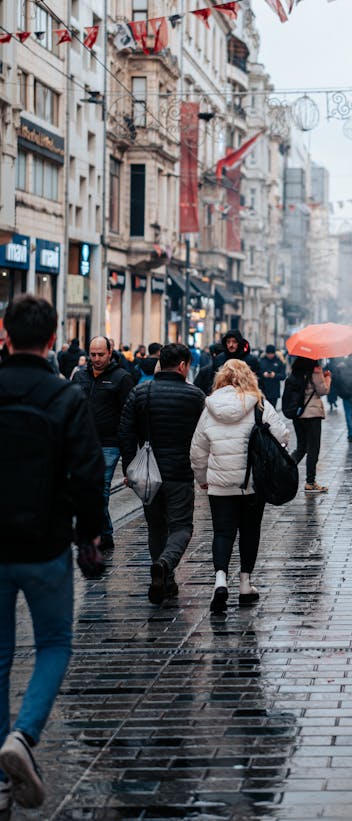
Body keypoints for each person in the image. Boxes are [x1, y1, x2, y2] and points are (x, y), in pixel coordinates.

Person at [0, 295, 103, 812]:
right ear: (51, 338)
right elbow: (88, 475)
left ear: (3, 332)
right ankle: (23, 735)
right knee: (55, 643)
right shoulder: (64, 397)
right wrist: (92, 534)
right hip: (44, 543)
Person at [190, 359, 290, 612]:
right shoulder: (259, 404)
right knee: (249, 531)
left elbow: (197, 450)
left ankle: (220, 581)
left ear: (221, 379)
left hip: (220, 484)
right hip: (252, 483)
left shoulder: (209, 407)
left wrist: (202, 479)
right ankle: (245, 585)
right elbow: (282, 436)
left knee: (222, 533)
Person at [119, 343, 205, 605]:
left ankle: (164, 578)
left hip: (148, 474)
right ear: (182, 366)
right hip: (179, 472)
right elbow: (204, 437)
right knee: (181, 527)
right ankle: (165, 566)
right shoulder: (195, 396)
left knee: (156, 527)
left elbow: (125, 432)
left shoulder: (140, 392)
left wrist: (129, 468)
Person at [73, 336, 134, 552]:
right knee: (86, 491)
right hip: (84, 442)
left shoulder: (121, 378)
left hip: (109, 443)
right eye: (93, 354)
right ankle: (106, 533)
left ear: (110, 352)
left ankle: (99, 535)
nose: (96, 359)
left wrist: (129, 455)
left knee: (101, 491)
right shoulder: (80, 377)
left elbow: (129, 415)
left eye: (101, 354)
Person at [287, 357, 331, 493]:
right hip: (312, 415)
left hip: (298, 415)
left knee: (301, 447)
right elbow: (323, 390)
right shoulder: (315, 371)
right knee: (313, 448)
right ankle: (310, 482)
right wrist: (327, 378)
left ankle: (282, 469)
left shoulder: (296, 371)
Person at [195, 330, 260, 395]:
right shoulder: (219, 359)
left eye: (234, 342)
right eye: (228, 342)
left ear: (239, 343)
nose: (231, 345)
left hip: (244, 396)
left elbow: (257, 382)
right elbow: (213, 379)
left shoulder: (250, 360)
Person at [257, 344, 286, 409]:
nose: (270, 355)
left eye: (271, 353)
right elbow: (257, 373)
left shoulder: (279, 361)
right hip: (263, 390)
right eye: (268, 353)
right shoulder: (261, 361)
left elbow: (283, 376)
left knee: (272, 410)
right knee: (262, 410)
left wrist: (274, 375)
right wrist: (263, 374)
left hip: (274, 392)